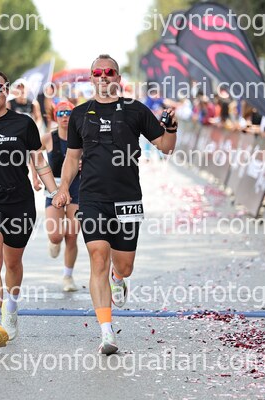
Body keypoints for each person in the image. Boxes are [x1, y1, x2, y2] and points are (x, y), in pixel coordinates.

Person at [53, 54, 178, 354]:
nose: (103, 76)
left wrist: (172, 129)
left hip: (127, 198)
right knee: (98, 256)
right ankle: (106, 332)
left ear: (118, 79)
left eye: (109, 72)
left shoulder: (135, 109)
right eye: (98, 72)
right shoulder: (80, 114)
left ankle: (118, 278)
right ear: (91, 78)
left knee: (124, 265)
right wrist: (64, 188)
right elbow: (72, 157)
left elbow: (165, 147)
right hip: (92, 198)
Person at [0, 70, 60, 349]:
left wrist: (54, 192)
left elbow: (39, 160)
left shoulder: (24, 123)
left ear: (7, 91)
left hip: (20, 202)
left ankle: (12, 307)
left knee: (13, 263)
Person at [34, 101, 80, 292]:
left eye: (68, 113)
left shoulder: (81, 136)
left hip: (76, 186)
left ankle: (68, 276)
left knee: (72, 235)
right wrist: (35, 177)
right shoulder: (48, 138)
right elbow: (35, 154)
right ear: (55, 116)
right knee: (55, 235)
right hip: (54, 187)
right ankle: (54, 242)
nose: (65, 117)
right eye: (61, 113)